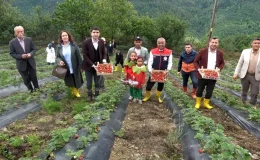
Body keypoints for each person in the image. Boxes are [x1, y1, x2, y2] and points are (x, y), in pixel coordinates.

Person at [193, 37, 225, 109]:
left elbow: (222, 63)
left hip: (213, 75)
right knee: (200, 89)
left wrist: (219, 69)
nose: (214, 44)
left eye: (216, 42)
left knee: (210, 90)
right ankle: (198, 103)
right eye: (212, 42)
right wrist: (198, 69)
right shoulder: (203, 51)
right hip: (203, 74)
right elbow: (195, 61)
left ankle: (206, 103)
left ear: (218, 44)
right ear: (209, 43)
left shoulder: (220, 53)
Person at [9, 26, 39, 93]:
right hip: (21, 63)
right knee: (26, 79)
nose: (20, 33)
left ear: (23, 32)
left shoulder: (29, 39)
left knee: (34, 77)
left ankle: (37, 89)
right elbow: (12, 53)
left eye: (21, 31)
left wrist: (30, 54)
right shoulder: (12, 42)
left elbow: (34, 49)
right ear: (15, 33)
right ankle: (30, 90)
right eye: (18, 32)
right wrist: (21, 56)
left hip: (31, 62)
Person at [143, 37, 173, 103]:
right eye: (159, 43)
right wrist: (150, 70)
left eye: (162, 43)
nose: (161, 44)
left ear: (165, 43)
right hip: (154, 71)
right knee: (149, 85)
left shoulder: (169, 52)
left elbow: (170, 62)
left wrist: (168, 69)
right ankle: (147, 96)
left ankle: (158, 96)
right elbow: (150, 61)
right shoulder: (153, 51)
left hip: (163, 72)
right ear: (157, 43)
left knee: (160, 86)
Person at [81, 26, 107, 101]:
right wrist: (92, 65)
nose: (95, 34)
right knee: (89, 82)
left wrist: (104, 60)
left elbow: (103, 52)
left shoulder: (101, 42)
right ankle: (89, 95)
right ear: (91, 33)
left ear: (99, 33)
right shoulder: (86, 42)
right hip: (88, 66)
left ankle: (97, 94)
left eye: (97, 32)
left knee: (97, 82)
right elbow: (85, 56)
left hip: (99, 66)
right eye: (94, 32)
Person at [233, 38, 260, 107]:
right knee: (244, 91)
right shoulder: (245, 52)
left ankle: (252, 105)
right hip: (245, 75)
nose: (257, 44)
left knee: (255, 92)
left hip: (256, 76)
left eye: (258, 43)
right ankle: (243, 103)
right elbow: (240, 63)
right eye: (255, 43)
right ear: (252, 44)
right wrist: (236, 73)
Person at [55, 30, 83, 98]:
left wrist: (81, 66)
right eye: (63, 36)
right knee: (69, 79)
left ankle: (76, 91)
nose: (65, 37)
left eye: (66, 35)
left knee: (76, 78)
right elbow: (57, 57)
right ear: (61, 38)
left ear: (68, 36)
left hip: (74, 66)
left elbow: (79, 57)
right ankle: (73, 89)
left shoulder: (74, 45)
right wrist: (60, 61)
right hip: (65, 67)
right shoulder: (59, 47)